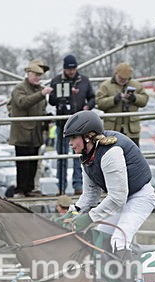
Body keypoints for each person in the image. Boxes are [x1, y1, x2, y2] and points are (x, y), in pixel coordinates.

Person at [61, 110, 155, 282]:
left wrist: (89, 218)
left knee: (119, 239)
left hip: (140, 197)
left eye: (73, 139)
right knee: (99, 235)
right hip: (123, 199)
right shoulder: (87, 155)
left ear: (88, 137)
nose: (70, 144)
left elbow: (118, 197)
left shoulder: (110, 153)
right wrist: (74, 211)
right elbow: (91, 195)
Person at [49, 54, 96, 195]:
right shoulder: (56, 81)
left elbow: (92, 97)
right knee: (61, 157)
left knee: (80, 156)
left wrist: (87, 107)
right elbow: (51, 100)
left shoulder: (84, 81)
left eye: (74, 68)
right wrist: (65, 93)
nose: (72, 71)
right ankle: (61, 187)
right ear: (64, 69)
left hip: (80, 126)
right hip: (62, 124)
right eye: (69, 69)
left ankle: (78, 185)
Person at [9, 59, 52, 198]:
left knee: (33, 162)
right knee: (23, 163)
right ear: (28, 74)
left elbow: (41, 108)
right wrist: (41, 94)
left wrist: (46, 118)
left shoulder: (40, 89)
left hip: (36, 133)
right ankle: (21, 190)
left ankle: (30, 188)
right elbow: (22, 103)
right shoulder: (19, 88)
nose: (37, 78)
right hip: (22, 133)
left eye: (39, 76)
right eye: (35, 75)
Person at [96, 63, 149, 147]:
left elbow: (145, 100)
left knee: (132, 157)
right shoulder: (105, 86)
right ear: (116, 73)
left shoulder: (137, 85)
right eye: (121, 78)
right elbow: (99, 103)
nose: (123, 81)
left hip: (131, 131)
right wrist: (114, 99)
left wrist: (134, 98)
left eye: (125, 79)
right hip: (112, 130)